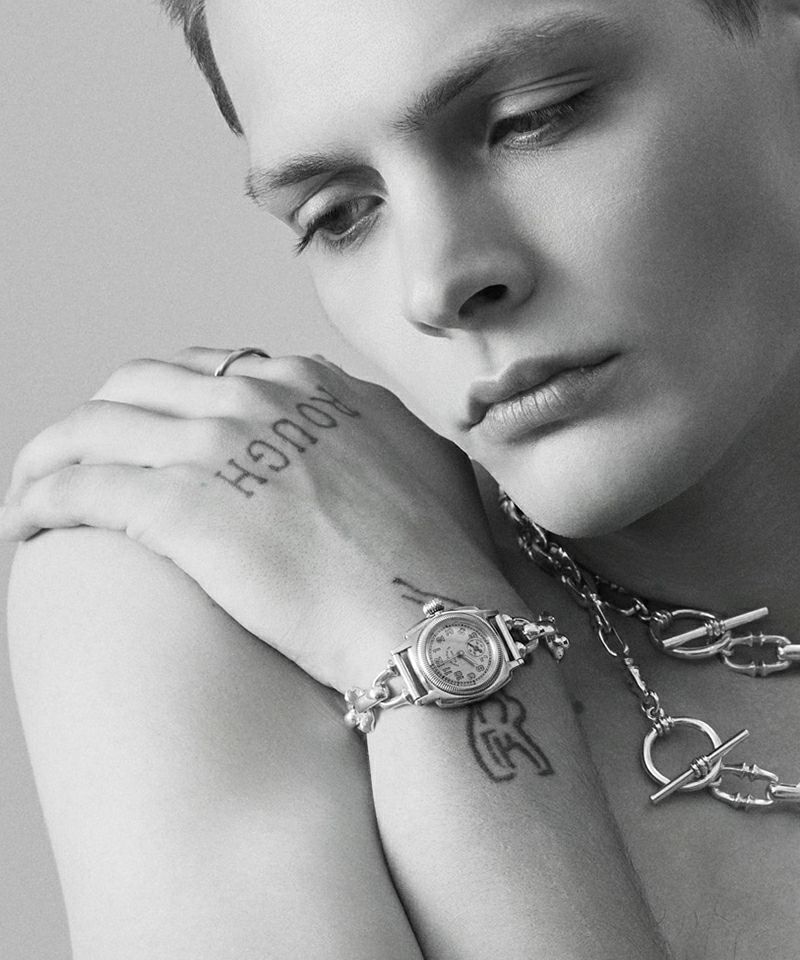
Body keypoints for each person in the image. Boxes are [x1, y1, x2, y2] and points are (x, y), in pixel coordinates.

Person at [4, 0, 800, 956]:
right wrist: (438, 635)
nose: (438, 283)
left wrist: (452, 665)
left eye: (532, 120)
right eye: (339, 214)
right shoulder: (206, 601)